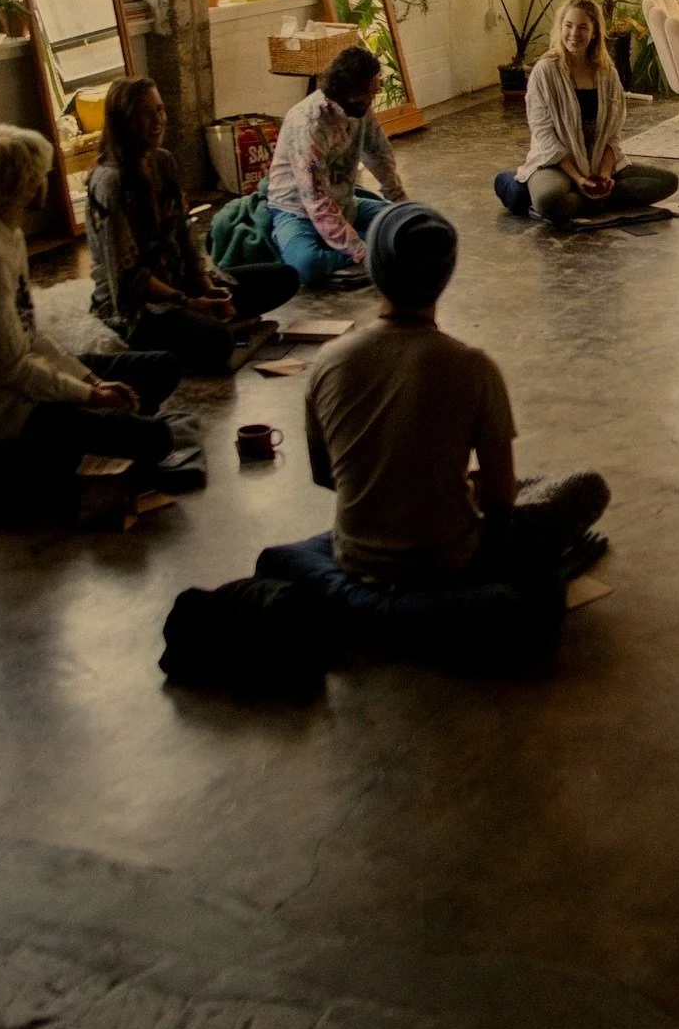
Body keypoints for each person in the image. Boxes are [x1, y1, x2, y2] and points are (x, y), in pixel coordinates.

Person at [256, 202, 610, 647]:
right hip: (451, 561)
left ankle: (365, 602)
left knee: (289, 557)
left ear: (377, 271)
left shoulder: (328, 360)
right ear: (443, 278)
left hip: (355, 555)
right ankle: (465, 602)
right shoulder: (473, 366)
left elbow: (328, 477)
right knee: (583, 487)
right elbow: (500, 505)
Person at [0, 125, 181, 508]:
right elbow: (14, 371)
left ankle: (90, 448)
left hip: (23, 382)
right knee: (158, 439)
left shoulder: (5, 234)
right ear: (25, 185)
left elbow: (32, 335)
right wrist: (92, 395)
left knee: (162, 367)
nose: (46, 180)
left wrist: (90, 380)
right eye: (41, 173)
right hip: (4, 415)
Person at [88, 77, 301, 373]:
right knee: (217, 340)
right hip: (139, 305)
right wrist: (188, 302)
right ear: (124, 120)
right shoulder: (110, 181)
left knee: (286, 277)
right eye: (146, 114)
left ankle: (212, 322)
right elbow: (128, 279)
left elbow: (184, 234)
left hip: (181, 284)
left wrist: (207, 286)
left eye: (160, 110)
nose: (157, 121)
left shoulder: (163, 161)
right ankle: (207, 331)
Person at [515, 0, 679, 223]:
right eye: (568, 26)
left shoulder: (606, 73)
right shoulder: (545, 71)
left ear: (594, 33)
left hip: (598, 163)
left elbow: (613, 134)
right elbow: (544, 137)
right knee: (548, 200)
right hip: (558, 164)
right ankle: (595, 198)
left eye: (583, 27)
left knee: (667, 181)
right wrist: (579, 178)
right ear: (560, 28)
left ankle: (593, 197)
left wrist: (603, 174)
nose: (574, 34)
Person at [267, 45, 408, 286]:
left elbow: (379, 155)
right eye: (366, 94)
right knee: (307, 264)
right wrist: (360, 250)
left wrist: (402, 205)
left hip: (345, 203)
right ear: (345, 89)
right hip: (297, 210)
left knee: (407, 228)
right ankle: (370, 251)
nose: (370, 100)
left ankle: (364, 250)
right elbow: (316, 200)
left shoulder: (361, 107)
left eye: (374, 93)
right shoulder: (310, 124)